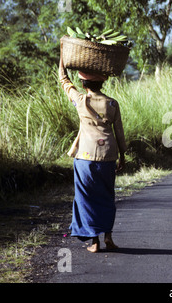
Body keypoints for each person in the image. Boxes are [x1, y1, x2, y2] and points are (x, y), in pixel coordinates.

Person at [59, 41, 127, 253]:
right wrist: (122, 156)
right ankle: (108, 237)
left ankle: (94, 242)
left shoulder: (79, 100)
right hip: (108, 156)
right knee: (107, 196)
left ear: (83, 83)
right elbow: (120, 133)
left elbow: (63, 80)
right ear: (103, 83)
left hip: (85, 157)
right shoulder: (113, 103)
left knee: (85, 197)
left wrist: (62, 54)